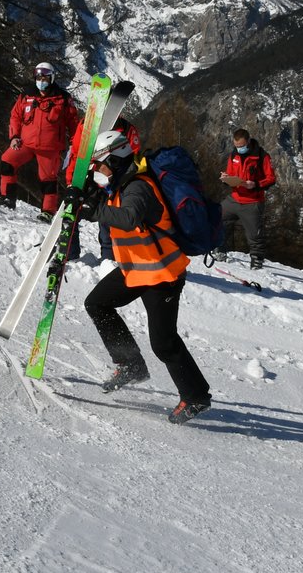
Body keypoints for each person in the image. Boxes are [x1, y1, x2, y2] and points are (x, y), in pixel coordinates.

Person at [71, 129, 212, 424]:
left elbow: (130, 217)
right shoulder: (117, 185)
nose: (98, 170)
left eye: (101, 164)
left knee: (163, 342)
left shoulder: (138, 186)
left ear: (118, 158)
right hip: (136, 269)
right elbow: (104, 204)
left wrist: (93, 212)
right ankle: (130, 364)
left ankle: (196, 396)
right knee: (97, 303)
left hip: (162, 274)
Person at [0, 62, 81, 215]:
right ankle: (7, 198)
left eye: (45, 78)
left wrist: (74, 144)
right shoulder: (26, 95)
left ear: (51, 78)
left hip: (50, 147)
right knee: (7, 161)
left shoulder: (62, 98)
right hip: (26, 143)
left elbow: (73, 123)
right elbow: (15, 116)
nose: (41, 81)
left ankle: (48, 212)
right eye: (38, 77)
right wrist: (14, 136)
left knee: (48, 179)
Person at [218, 127, 276, 269]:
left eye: (242, 146)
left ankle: (256, 261)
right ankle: (219, 249)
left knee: (254, 235)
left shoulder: (261, 156)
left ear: (248, 142)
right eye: (236, 146)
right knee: (217, 217)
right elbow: (231, 173)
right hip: (235, 198)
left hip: (252, 202)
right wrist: (226, 178)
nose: (239, 149)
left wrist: (255, 184)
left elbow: (271, 178)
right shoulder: (234, 156)